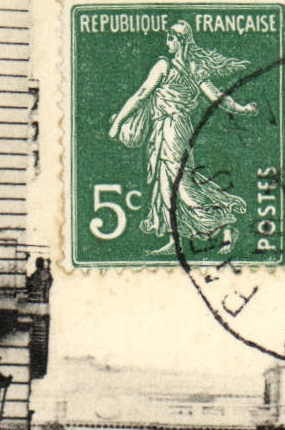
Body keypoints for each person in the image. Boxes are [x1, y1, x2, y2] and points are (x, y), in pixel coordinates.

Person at [108, 21, 258, 255]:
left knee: (182, 184)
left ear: (181, 41)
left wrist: (118, 123)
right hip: (169, 129)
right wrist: (241, 108)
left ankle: (226, 224)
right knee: (166, 185)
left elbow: (141, 95)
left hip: (172, 128)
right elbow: (216, 96)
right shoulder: (193, 67)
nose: (167, 43)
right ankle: (174, 239)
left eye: (171, 38)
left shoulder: (165, 65)